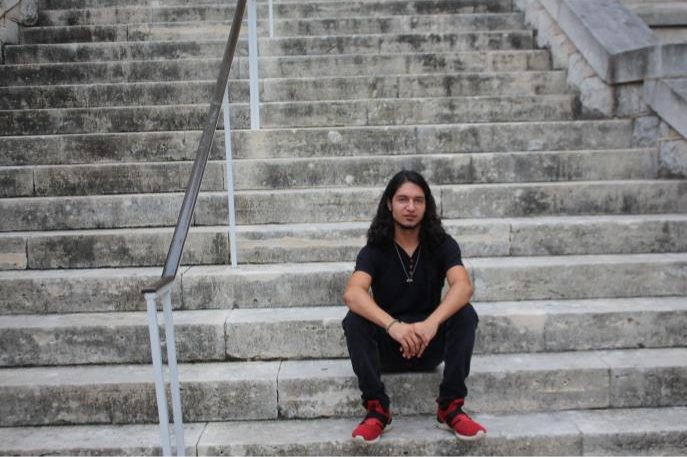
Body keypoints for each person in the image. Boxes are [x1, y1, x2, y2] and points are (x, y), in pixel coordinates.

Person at [342, 169, 486, 444]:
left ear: (426, 205)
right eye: (403, 199)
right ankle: (377, 409)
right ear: (389, 204)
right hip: (388, 346)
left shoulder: (442, 245)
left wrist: (431, 324)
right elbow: (353, 293)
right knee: (354, 319)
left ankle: (450, 406)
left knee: (465, 313)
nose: (410, 207)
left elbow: (463, 287)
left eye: (418, 200)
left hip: (429, 343)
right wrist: (393, 326)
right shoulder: (375, 249)